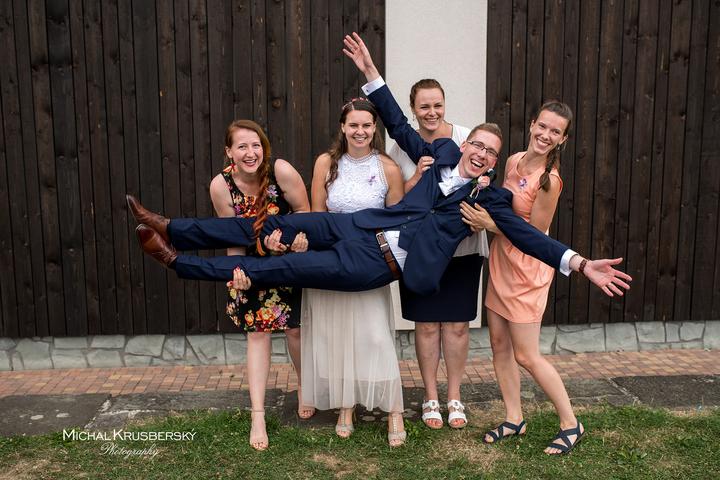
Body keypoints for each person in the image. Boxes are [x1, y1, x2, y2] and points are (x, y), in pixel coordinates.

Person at [125, 32, 630, 329]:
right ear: (465, 143)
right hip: (355, 225)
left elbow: (527, 235)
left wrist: (580, 263)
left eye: (490, 152)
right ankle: (171, 226)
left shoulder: (490, 199)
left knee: (279, 269)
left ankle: (177, 262)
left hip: (374, 263)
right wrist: (371, 72)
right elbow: (399, 125)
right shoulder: (441, 152)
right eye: (477, 144)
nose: (480, 153)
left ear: (494, 163)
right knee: (262, 225)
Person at [460, 101, 585, 454]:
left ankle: (571, 423)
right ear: (532, 124)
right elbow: (502, 206)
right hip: (501, 261)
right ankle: (514, 418)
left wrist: (489, 225)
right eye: (542, 126)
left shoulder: (550, 181)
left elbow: (535, 236)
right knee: (499, 345)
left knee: (527, 355)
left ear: (562, 139)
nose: (546, 135)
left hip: (527, 270)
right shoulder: (513, 160)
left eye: (555, 131)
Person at [301, 98, 406, 446]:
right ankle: (346, 406)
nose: (360, 131)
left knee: (374, 336)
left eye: (366, 125)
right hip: (332, 259)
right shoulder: (326, 163)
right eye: (353, 125)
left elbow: (397, 223)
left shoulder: (388, 168)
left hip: (369, 263)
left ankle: (394, 409)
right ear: (343, 128)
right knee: (337, 336)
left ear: (375, 128)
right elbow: (317, 216)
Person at [387, 78, 489, 429]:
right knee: (427, 324)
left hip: (463, 249)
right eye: (424, 107)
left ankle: (454, 396)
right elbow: (396, 199)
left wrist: (481, 216)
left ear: (445, 104)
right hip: (419, 251)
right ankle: (430, 396)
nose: (432, 113)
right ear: (413, 110)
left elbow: (485, 183)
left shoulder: (467, 138)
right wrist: (417, 177)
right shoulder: (402, 147)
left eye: (437, 105)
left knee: (458, 326)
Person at [208, 119, 311, 451]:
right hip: (252, 267)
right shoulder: (221, 186)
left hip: (288, 261)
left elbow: (304, 212)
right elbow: (231, 238)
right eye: (242, 146)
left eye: (256, 145)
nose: (250, 153)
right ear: (229, 152)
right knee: (258, 334)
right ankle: (258, 415)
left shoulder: (281, 171)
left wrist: (293, 239)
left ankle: (305, 386)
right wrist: (237, 270)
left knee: (295, 331)